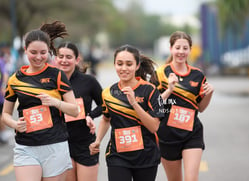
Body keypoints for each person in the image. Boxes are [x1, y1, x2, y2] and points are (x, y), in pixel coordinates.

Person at [2, 21, 79, 181]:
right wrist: (15, 124)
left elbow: (74, 110)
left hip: (54, 146)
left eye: (43, 52)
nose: (38, 57)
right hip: (26, 146)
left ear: (49, 51)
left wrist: (55, 102)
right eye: (33, 52)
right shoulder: (15, 79)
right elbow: (5, 114)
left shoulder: (57, 75)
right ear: (25, 51)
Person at [89, 44, 164, 181]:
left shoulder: (150, 90)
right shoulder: (108, 93)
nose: (124, 68)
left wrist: (134, 103)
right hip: (118, 156)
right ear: (114, 65)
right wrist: (98, 140)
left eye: (129, 64)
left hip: (146, 156)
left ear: (137, 66)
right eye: (119, 64)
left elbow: (154, 127)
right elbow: (106, 119)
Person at [155, 31, 214, 181]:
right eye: (178, 47)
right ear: (171, 49)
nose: (181, 52)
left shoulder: (198, 75)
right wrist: (169, 90)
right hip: (167, 135)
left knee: (191, 179)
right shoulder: (161, 73)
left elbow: (200, 108)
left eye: (185, 48)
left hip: (192, 133)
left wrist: (209, 94)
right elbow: (153, 105)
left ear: (190, 50)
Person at [54, 42, 103, 181]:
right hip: (60, 143)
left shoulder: (89, 81)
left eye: (68, 57)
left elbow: (104, 105)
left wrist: (90, 115)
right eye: (60, 56)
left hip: (85, 143)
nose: (64, 60)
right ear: (56, 58)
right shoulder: (50, 82)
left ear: (77, 59)